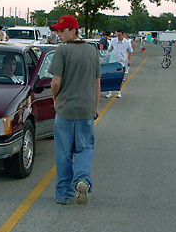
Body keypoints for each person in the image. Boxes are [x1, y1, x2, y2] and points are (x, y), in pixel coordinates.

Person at [48, 15, 101, 205]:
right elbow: (97, 82)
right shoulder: (92, 51)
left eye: (62, 31)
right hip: (86, 110)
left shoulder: (62, 52)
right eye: (58, 31)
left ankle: (63, 194)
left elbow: (55, 82)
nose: (59, 35)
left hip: (65, 111)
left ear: (74, 31)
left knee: (64, 153)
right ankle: (82, 180)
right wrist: (95, 107)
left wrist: (55, 99)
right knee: (85, 148)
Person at [105, 29, 133, 98]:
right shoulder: (113, 41)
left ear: (123, 35)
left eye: (119, 35)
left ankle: (119, 91)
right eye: (117, 35)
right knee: (111, 77)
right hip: (113, 61)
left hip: (122, 62)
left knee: (120, 78)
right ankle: (109, 91)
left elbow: (130, 51)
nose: (118, 36)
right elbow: (109, 49)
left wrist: (129, 61)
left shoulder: (127, 42)